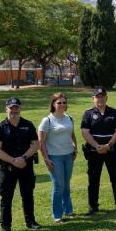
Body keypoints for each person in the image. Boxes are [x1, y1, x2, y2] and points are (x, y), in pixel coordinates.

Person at [0, 98, 41, 231]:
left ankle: (30, 221)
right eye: (11, 108)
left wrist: (23, 158)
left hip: (26, 166)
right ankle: (5, 227)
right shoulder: (0, 127)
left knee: (27, 194)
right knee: (6, 198)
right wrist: (13, 160)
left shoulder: (28, 125)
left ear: (20, 109)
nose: (14, 110)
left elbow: (35, 144)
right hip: (7, 168)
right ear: (6, 109)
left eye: (16, 108)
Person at [80, 87, 116, 214]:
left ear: (106, 98)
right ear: (93, 99)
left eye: (102, 96)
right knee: (93, 179)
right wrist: (97, 146)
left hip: (111, 150)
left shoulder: (114, 112)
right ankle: (93, 206)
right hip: (93, 151)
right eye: (97, 96)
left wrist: (109, 144)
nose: (100, 99)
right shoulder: (88, 113)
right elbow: (85, 132)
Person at [38, 92, 78, 223]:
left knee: (66, 184)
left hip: (68, 155)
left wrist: (75, 148)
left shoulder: (69, 118)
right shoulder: (47, 120)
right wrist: (46, 158)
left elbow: (72, 134)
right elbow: (41, 142)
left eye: (64, 102)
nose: (62, 105)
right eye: (59, 102)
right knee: (58, 185)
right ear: (53, 104)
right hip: (54, 157)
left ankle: (69, 210)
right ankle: (57, 214)